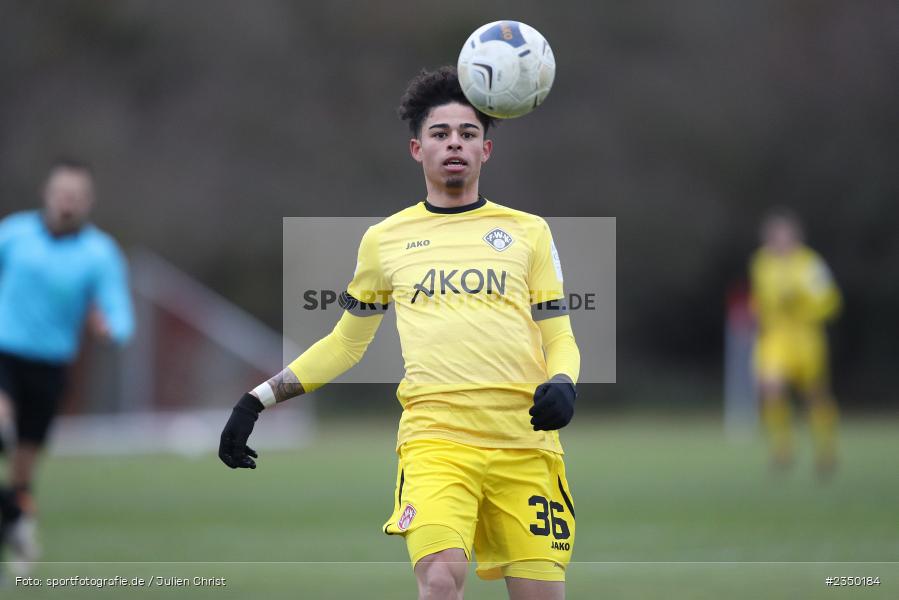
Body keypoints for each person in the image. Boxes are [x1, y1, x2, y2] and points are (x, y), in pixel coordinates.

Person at [220, 66, 581, 600]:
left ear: (487, 150)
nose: (454, 143)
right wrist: (258, 400)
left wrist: (564, 382)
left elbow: (560, 334)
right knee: (439, 580)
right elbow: (345, 343)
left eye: (468, 134)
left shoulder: (530, 232)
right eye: (440, 134)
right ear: (417, 149)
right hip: (436, 442)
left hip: (525, 445)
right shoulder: (385, 239)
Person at [0, 158, 135, 569]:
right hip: (3, 353)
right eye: (62, 193)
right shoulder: (13, 234)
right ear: (47, 194)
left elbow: (119, 311)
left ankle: (15, 518)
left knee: (22, 467)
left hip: (51, 367)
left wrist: (111, 329)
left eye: (76, 196)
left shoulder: (100, 253)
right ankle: (14, 516)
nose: (67, 203)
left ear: (88, 203)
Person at [750, 209, 841, 476]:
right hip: (775, 337)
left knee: (815, 395)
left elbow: (831, 302)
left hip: (806, 337)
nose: (779, 241)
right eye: (774, 237)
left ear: (796, 237)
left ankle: (826, 450)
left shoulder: (810, 265)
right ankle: (783, 448)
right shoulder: (761, 263)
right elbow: (760, 299)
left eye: (784, 236)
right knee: (770, 387)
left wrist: (803, 304)